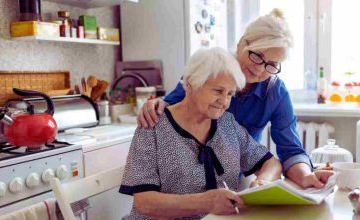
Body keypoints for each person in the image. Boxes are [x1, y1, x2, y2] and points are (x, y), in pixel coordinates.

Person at [137, 8, 334, 189]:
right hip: (186, 182)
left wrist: (306, 176)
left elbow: (290, 151)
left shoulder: (276, 92)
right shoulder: (210, 69)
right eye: (257, 55)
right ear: (241, 43)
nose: (259, 68)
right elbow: (172, 106)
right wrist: (155, 104)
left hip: (233, 181)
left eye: (271, 65)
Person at [119, 47, 282, 219]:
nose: (224, 101)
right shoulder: (153, 125)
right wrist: (205, 202)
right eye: (218, 91)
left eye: (230, 94)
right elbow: (144, 202)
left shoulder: (227, 124)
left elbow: (272, 163)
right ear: (190, 84)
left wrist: (263, 182)